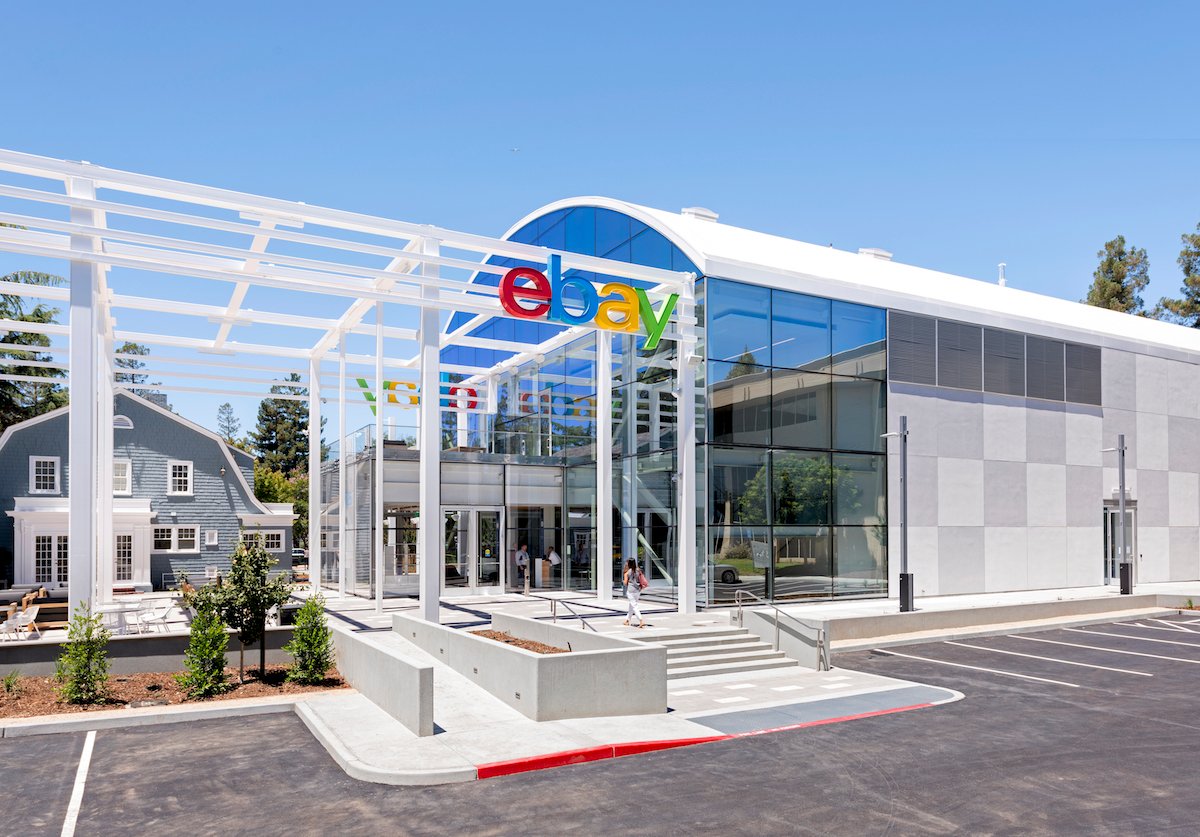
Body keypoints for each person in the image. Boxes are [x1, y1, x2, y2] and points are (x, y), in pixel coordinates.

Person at [623, 557, 645, 628]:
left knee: (634, 606)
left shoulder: (627, 573)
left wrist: (623, 581)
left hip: (630, 591)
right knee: (632, 605)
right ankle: (627, 620)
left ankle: (641, 620)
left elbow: (625, 583)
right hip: (638, 591)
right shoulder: (638, 570)